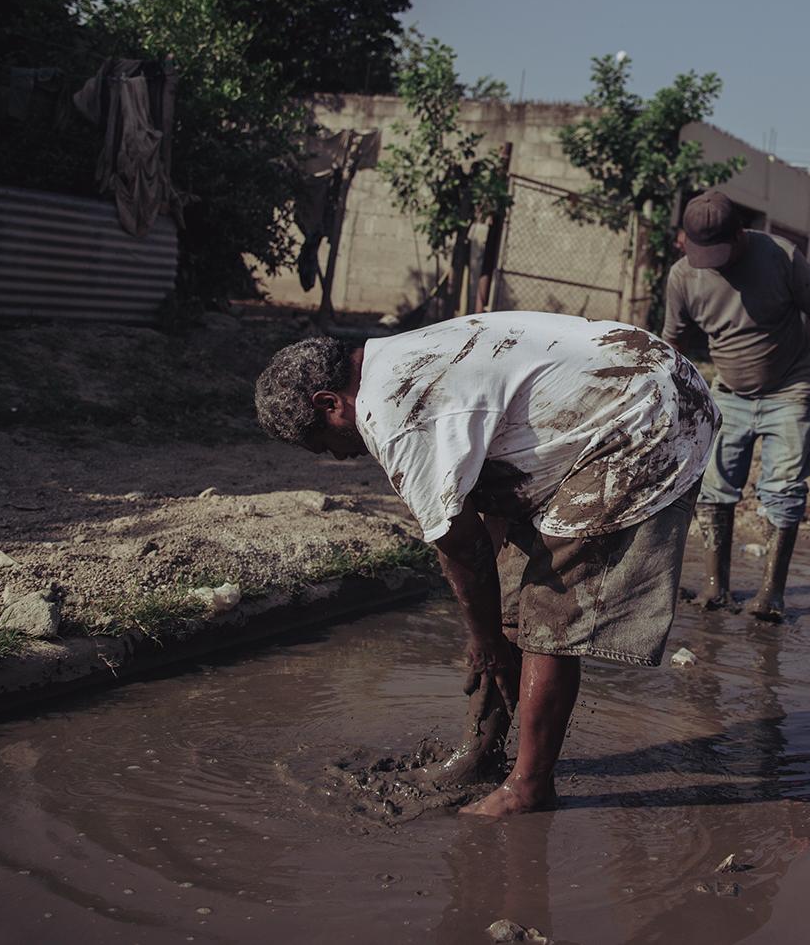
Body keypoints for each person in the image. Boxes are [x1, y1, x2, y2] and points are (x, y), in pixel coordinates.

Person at [254, 311, 718, 816]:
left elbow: (460, 547)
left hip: (645, 410)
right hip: (613, 388)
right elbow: (478, 514)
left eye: (324, 444)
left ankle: (529, 788)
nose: (340, 458)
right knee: (511, 606)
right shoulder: (390, 357)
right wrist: (492, 629)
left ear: (330, 403)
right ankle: (479, 755)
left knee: (550, 613)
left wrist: (484, 640)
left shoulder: (395, 415)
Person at [662, 189, 810, 621]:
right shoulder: (683, 277)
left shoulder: (781, 257)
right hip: (728, 395)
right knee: (713, 489)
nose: (714, 263)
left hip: (788, 390)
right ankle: (717, 588)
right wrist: (671, 394)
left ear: (740, 234)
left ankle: (771, 593)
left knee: (784, 491)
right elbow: (673, 343)